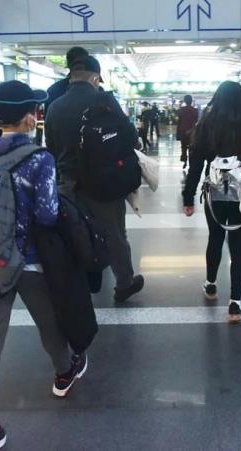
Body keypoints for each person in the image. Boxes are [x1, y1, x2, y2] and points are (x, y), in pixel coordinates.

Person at [0, 81, 86, 451]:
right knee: (49, 325)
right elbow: (47, 215)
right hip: (31, 260)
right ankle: (64, 373)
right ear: (30, 117)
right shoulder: (40, 158)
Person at [45, 56, 145, 303]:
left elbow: (51, 147)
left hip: (69, 184)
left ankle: (77, 285)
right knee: (114, 234)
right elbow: (130, 138)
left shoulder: (55, 106)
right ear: (95, 77)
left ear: (71, 76)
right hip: (105, 181)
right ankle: (124, 283)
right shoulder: (106, 102)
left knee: (73, 234)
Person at [182, 81, 241, 323]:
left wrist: (188, 198)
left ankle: (211, 285)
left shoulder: (205, 125)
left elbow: (195, 166)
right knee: (237, 244)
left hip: (214, 193)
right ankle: (235, 304)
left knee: (215, 237)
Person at [177, 94, 199, 168]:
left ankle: (184, 161)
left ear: (185, 101)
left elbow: (179, 122)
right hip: (192, 132)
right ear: (191, 101)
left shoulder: (181, 110)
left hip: (183, 131)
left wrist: (178, 134)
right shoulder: (195, 110)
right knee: (191, 148)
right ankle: (191, 162)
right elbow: (197, 122)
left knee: (183, 147)